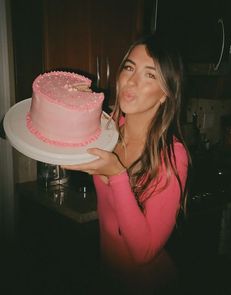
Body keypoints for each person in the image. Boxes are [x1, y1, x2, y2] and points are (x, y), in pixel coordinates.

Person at [63, 34, 190, 294]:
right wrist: (80, 107)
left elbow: (143, 252)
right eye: (129, 68)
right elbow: (63, 140)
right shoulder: (110, 130)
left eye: (150, 75)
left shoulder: (172, 155)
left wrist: (117, 175)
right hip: (108, 278)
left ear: (165, 93)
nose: (131, 81)